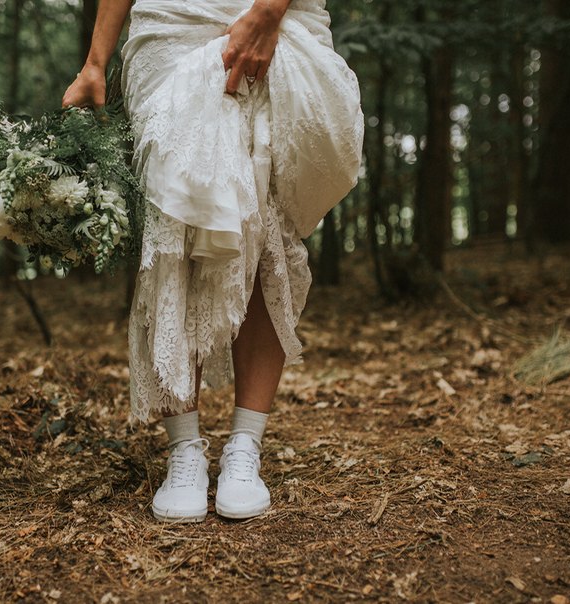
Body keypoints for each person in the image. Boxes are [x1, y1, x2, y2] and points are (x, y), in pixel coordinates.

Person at [62, 0, 363, 522]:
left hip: (273, 19)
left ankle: (246, 444)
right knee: (174, 233)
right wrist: (94, 60)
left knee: (265, 229)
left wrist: (268, 13)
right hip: (170, 28)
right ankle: (184, 449)